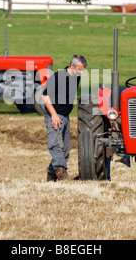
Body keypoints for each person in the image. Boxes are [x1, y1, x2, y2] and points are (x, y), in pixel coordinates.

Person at [41, 54, 87, 182]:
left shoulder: (76, 77)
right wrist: (54, 115)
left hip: (65, 115)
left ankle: (51, 175)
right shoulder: (59, 76)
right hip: (54, 115)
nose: (82, 72)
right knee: (56, 145)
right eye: (80, 69)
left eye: (83, 70)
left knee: (66, 149)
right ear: (72, 66)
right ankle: (61, 174)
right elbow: (45, 96)